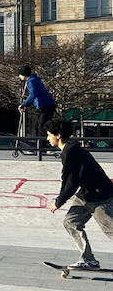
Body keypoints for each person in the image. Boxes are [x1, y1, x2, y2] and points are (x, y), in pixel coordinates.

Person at [45, 118, 113, 269]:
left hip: (99, 195)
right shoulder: (70, 150)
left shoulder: (71, 152)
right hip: (86, 194)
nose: (47, 138)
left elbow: (70, 182)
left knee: (111, 230)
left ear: (58, 135)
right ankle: (88, 260)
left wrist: (58, 202)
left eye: (49, 135)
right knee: (71, 222)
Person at [19, 65, 57, 137]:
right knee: (37, 126)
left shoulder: (31, 81)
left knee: (41, 125)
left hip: (46, 106)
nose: (19, 76)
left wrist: (24, 104)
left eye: (20, 75)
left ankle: (45, 143)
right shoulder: (34, 79)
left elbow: (33, 94)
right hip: (44, 106)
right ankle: (39, 143)